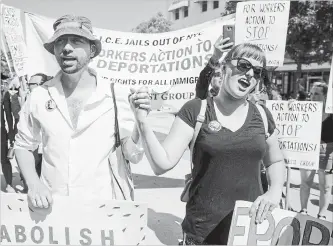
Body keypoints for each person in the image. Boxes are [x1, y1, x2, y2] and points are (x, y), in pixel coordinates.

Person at [131, 39, 286, 244]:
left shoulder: (263, 115)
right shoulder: (196, 110)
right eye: (243, 66)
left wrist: (274, 192)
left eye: (257, 72)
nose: (249, 74)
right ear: (224, 67)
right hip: (202, 235)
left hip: (250, 233)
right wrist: (142, 122)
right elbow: (162, 163)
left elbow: (275, 161)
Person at [14, 15, 149, 208]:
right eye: (60, 42)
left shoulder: (115, 95)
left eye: (76, 40)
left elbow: (132, 154)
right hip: (52, 209)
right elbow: (24, 145)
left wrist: (140, 123)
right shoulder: (39, 96)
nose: (66, 48)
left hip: (104, 210)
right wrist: (34, 184)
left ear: (92, 49)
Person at [299, 82, 332, 220]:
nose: (312, 97)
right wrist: (290, 107)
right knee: (306, 182)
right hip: (308, 149)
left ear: (326, 96)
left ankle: (322, 215)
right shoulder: (305, 110)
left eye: (317, 94)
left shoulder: (331, 113)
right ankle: (303, 211)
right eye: (311, 94)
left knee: (325, 186)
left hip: (328, 151)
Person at [1, 74, 16, 193]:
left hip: (1, 131)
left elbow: (8, 115)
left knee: (4, 159)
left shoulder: (4, 95)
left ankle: (9, 184)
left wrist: (11, 133)